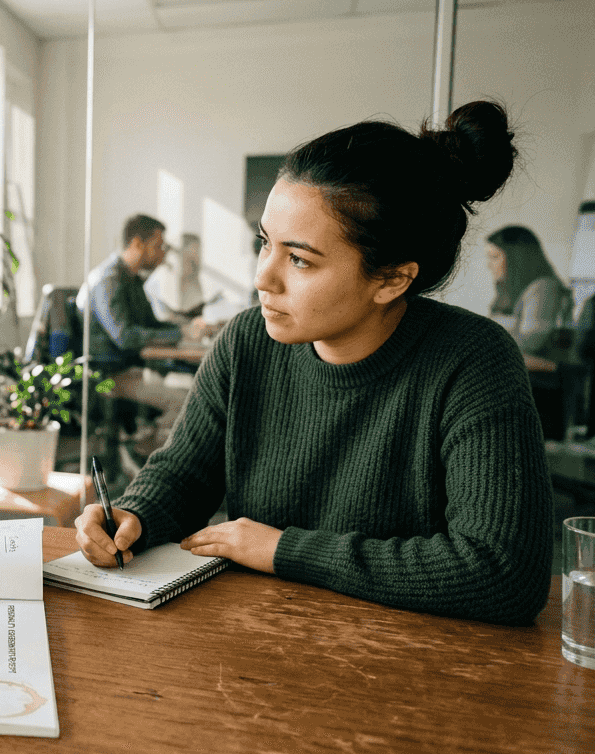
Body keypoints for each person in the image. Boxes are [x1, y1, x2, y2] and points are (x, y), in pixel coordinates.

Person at [75, 100, 552, 625]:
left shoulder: (473, 361)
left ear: (392, 279)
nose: (264, 277)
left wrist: (284, 550)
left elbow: (503, 572)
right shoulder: (247, 341)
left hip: (411, 666)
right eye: (265, 244)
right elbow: (185, 474)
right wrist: (133, 514)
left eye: (299, 259)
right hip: (261, 642)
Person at [76, 215, 189, 436]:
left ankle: (142, 443)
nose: (162, 254)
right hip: (105, 380)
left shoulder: (132, 279)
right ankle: (143, 449)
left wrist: (183, 330)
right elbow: (125, 336)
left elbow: (151, 325)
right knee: (186, 402)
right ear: (137, 243)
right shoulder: (108, 280)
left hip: (129, 371)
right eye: (158, 246)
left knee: (192, 391)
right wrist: (180, 333)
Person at [486, 224, 572, 358]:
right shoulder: (510, 292)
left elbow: (531, 343)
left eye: (495, 257)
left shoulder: (544, 287)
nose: (489, 265)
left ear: (517, 258)